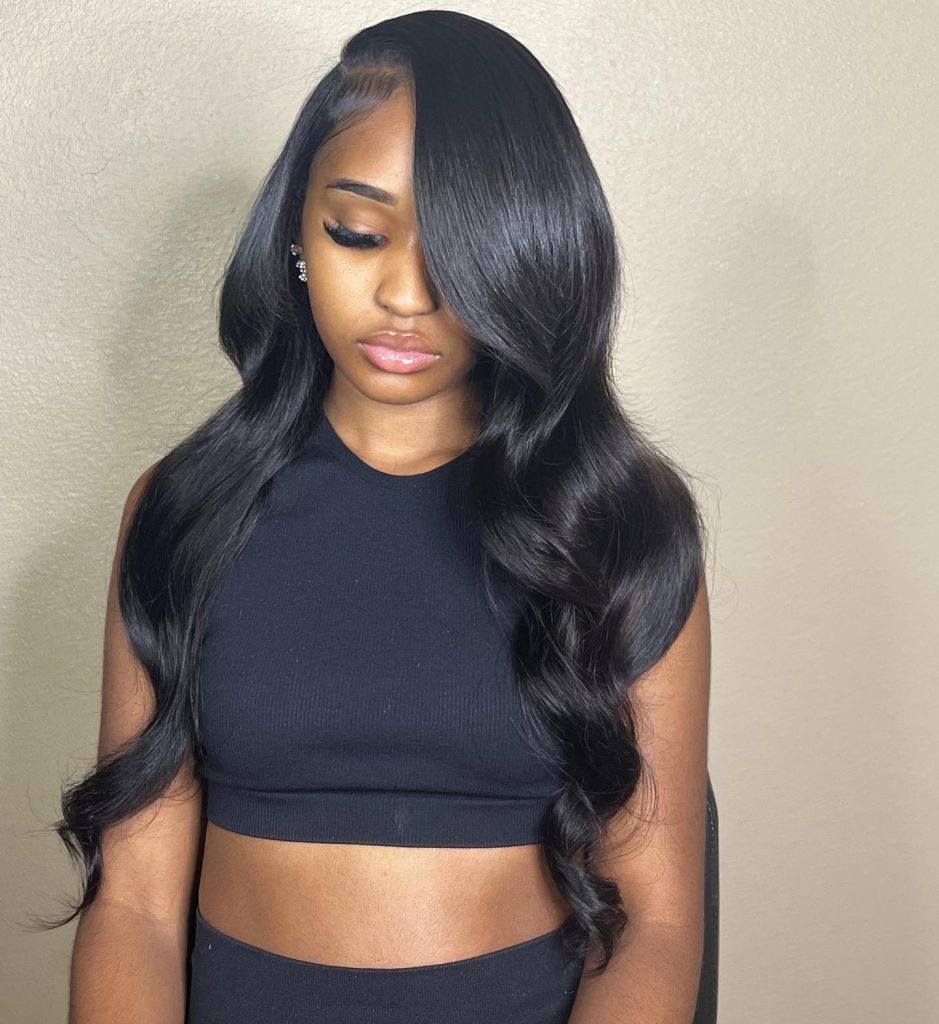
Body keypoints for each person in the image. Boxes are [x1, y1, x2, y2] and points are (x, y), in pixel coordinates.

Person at [45, 10, 711, 1023]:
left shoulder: (622, 526)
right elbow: (133, 904)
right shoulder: (186, 511)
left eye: (462, 250)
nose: (406, 293)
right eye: (359, 232)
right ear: (296, 234)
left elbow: (654, 922)